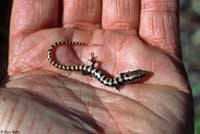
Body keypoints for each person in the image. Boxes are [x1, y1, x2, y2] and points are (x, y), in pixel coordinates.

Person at [0, 0, 193, 133]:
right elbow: (117, 83)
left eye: (138, 76)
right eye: (138, 75)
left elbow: (118, 81)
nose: (139, 76)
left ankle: (83, 62)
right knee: (92, 71)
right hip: (91, 71)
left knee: (92, 70)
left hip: (91, 70)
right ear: (134, 77)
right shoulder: (123, 81)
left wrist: (93, 66)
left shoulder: (124, 78)